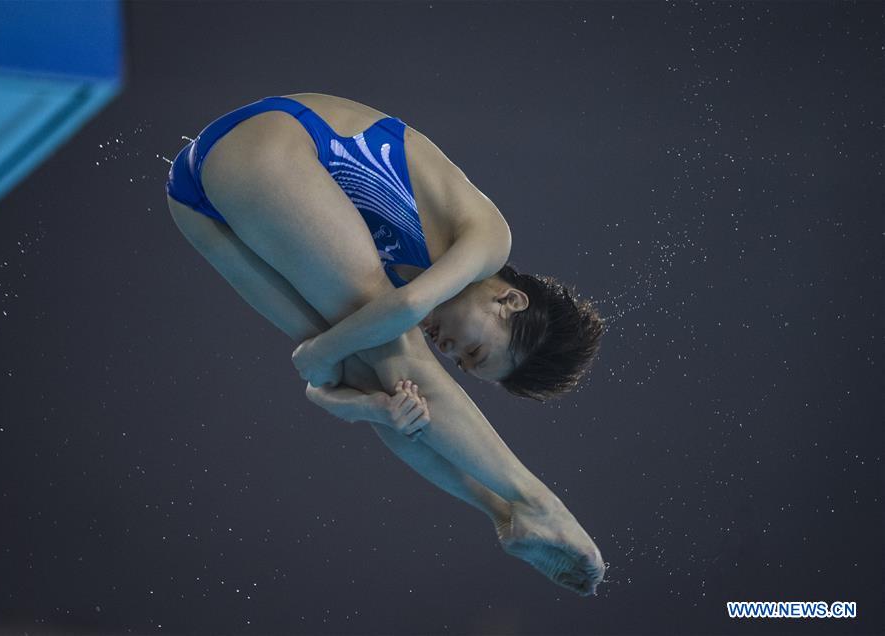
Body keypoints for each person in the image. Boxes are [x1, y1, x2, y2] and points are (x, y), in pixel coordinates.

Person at [165, 92, 606, 596]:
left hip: (192, 199)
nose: (452, 354)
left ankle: (502, 511)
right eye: (474, 351)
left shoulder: (392, 318)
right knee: (396, 353)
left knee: (386, 383)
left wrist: (371, 408)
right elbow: (385, 320)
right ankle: (539, 501)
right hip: (275, 140)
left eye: (463, 364)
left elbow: (326, 384)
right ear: (509, 301)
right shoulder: (488, 241)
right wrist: (319, 358)